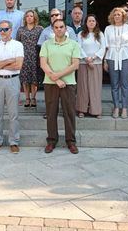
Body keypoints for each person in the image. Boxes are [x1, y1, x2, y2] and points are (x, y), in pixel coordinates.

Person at [40, 19, 80, 154]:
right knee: (51, 113)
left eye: (61, 27)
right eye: (56, 27)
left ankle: (71, 142)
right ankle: (51, 140)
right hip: (51, 84)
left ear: (66, 29)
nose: (59, 29)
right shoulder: (46, 44)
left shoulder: (74, 44)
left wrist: (58, 76)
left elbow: (75, 65)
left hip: (68, 84)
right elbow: (43, 64)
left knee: (69, 113)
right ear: (53, 30)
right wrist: (56, 79)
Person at [0, 20, 24, 154]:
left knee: (13, 114)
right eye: (0, 29)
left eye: (5, 29)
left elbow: (18, 65)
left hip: (12, 81)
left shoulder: (18, 45)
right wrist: (9, 60)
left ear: (11, 29)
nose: (2, 32)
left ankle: (14, 141)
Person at [103, 7, 128, 119]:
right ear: (112, 16)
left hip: (126, 56)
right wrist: (105, 61)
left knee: (125, 84)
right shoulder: (108, 29)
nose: (117, 16)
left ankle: (124, 108)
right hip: (112, 57)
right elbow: (105, 46)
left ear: (123, 16)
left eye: (119, 14)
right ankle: (116, 107)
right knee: (114, 84)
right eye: (115, 15)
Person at [76, 14, 106, 119]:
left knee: (95, 87)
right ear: (86, 23)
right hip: (83, 63)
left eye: (93, 21)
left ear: (96, 22)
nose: (91, 22)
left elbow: (103, 48)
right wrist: (86, 58)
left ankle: (96, 110)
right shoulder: (81, 34)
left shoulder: (100, 34)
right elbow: (78, 47)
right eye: (89, 21)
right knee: (83, 87)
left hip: (96, 63)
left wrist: (93, 58)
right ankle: (82, 110)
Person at [16, 10, 44, 108]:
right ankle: (27, 98)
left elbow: (43, 44)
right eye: (27, 16)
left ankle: (33, 98)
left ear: (34, 17)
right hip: (24, 56)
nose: (29, 17)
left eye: (31, 16)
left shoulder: (40, 29)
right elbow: (17, 43)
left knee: (34, 79)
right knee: (25, 79)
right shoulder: (21, 29)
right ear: (25, 18)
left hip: (35, 56)